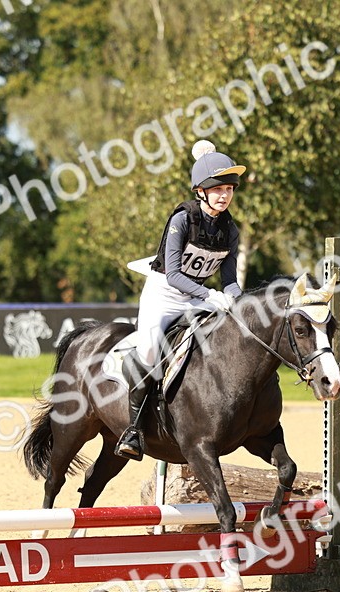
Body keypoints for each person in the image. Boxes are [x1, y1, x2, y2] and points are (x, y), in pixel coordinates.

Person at [114, 140, 246, 461]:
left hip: (197, 297)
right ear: (200, 191)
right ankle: (133, 429)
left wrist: (238, 303)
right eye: (218, 189)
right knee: (149, 351)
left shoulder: (230, 230)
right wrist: (210, 295)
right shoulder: (182, 220)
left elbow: (229, 281)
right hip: (163, 295)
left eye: (229, 189)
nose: (225, 195)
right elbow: (173, 275)